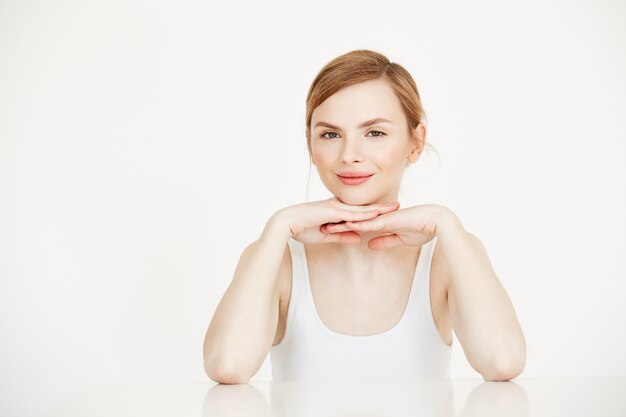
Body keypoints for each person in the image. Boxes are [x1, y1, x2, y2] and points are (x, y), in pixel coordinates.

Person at [203, 49, 526, 384]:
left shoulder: (447, 254)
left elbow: (502, 361)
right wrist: (278, 227)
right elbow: (228, 365)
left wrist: (445, 222)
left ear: (416, 143)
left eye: (374, 133)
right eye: (330, 134)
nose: (349, 155)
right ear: (310, 146)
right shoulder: (277, 257)